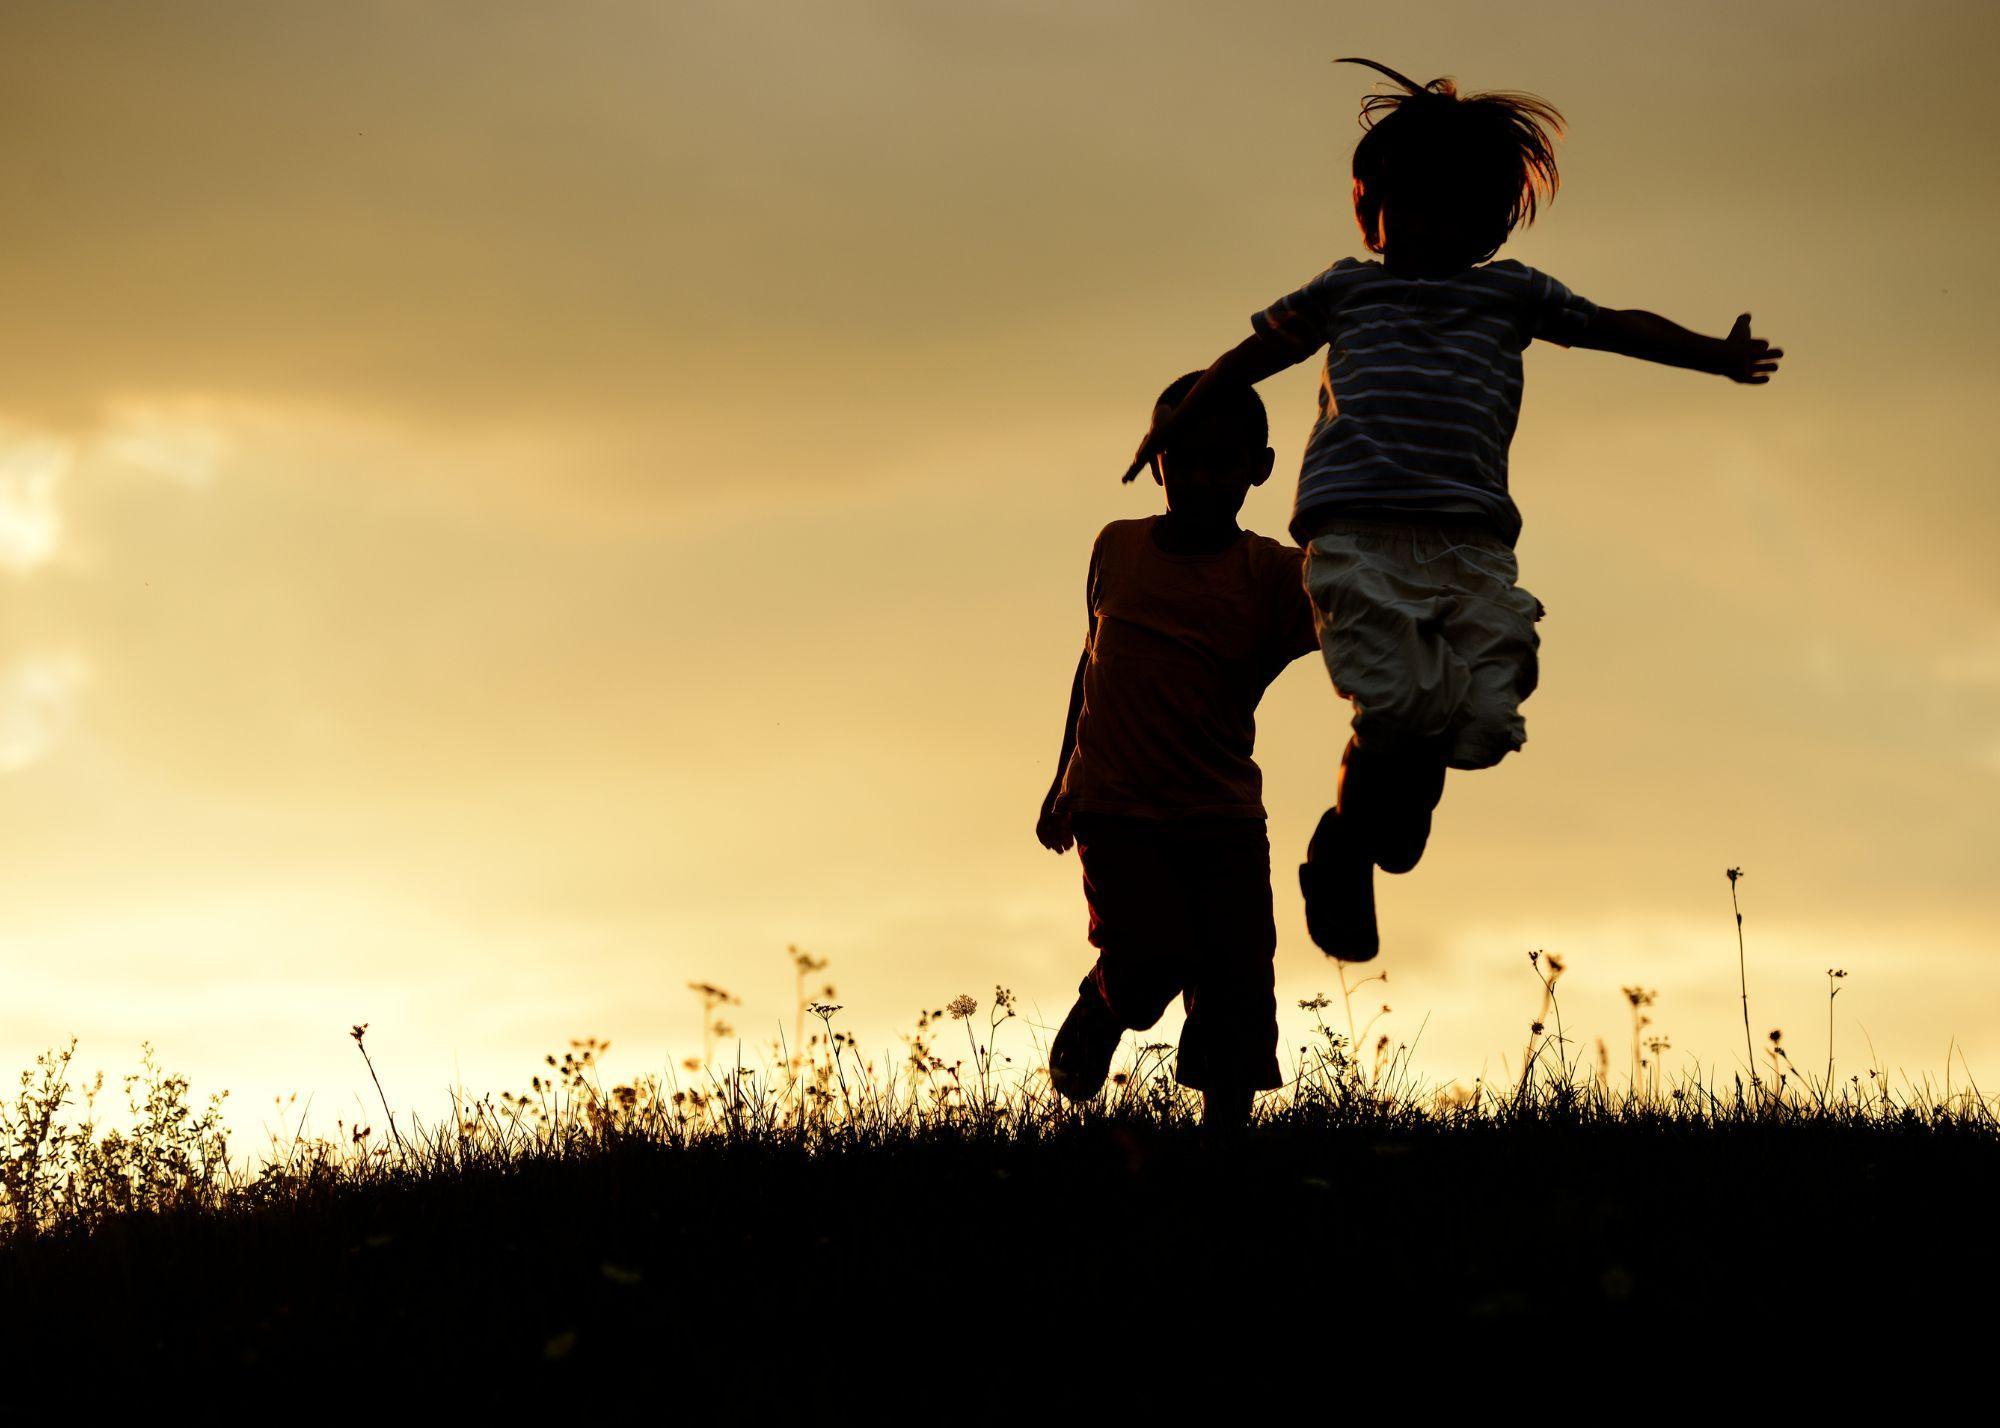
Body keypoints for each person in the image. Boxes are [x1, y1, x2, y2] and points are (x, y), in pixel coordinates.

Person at [1122, 57, 1783, 962]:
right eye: (1411, 209)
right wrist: (1180, 421)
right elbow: (1247, 359)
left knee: (1479, 715)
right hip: (1360, 535)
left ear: (1489, 225)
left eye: (1455, 214)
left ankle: (1373, 828)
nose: (1430, 230)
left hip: (1473, 544)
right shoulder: (1347, 290)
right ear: (1373, 209)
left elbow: (1614, 324)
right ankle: (1344, 850)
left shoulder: (1510, 293)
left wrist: (1712, 355)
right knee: (1396, 707)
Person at [1037, 372, 1319, 1130]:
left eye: (1222, 463)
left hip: (1221, 815)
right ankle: (1104, 1004)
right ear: (1155, 460)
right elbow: (1093, 661)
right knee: (1146, 958)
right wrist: (1061, 775)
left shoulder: (1273, 577)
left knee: (1235, 987)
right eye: (1184, 460)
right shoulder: (1118, 547)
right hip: (1116, 806)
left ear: (1258, 469)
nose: (1200, 479)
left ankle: (1224, 1157)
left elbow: (1363, 610)